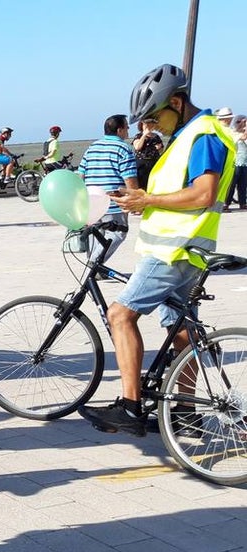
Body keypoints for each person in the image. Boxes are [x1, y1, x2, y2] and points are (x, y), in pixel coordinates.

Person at [79, 64, 235, 437]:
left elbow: (204, 193)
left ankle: (130, 406)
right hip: (185, 247)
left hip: (175, 250)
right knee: (181, 329)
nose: (151, 126)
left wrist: (147, 199)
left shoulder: (203, 135)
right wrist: (141, 200)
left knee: (120, 315)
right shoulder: (187, 135)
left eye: (154, 117)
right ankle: (185, 412)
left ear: (177, 102)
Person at [76, 114, 139, 263]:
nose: (128, 129)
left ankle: (94, 265)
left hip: (91, 200)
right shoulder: (124, 149)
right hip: (113, 202)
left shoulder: (92, 147)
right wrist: (135, 200)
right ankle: (94, 264)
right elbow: (129, 178)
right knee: (118, 233)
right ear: (119, 130)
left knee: (96, 232)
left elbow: (81, 175)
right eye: (126, 127)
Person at [227, 115, 247, 210]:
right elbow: (243, 137)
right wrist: (244, 126)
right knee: (232, 184)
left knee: (243, 185)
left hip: (244, 162)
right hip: (236, 162)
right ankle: (226, 204)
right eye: (238, 122)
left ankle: (242, 203)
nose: (241, 123)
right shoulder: (233, 132)